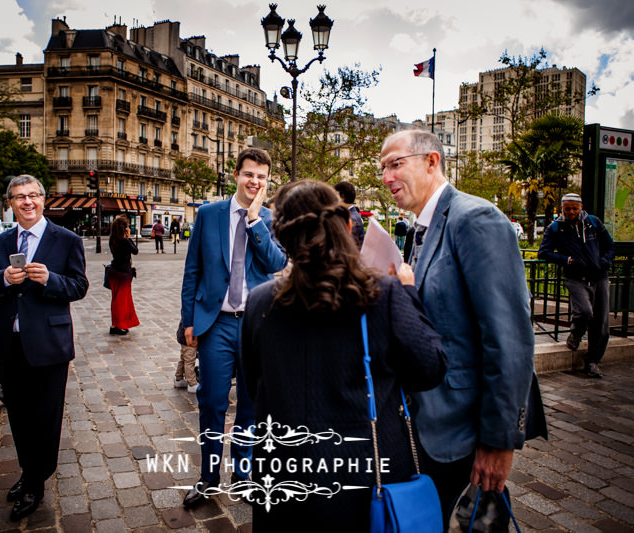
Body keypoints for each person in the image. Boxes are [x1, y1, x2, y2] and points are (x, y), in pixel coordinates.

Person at [241, 180, 445, 530]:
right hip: (368, 480)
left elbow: (253, 382)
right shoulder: (385, 293)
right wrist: (409, 292)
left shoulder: (260, 302)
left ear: (282, 238)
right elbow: (430, 369)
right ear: (348, 226)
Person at [380, 130, 535, 523]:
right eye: (382, 168)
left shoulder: (475, 218)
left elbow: (510, 338)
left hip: (464, 433)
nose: (386, 176)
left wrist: (499, 442)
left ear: (432, 161)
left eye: (396, 164)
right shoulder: (419, 228)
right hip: (424, 425)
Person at [0, 174, 88, 521]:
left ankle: (36, 482)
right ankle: (28, 471)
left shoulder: (65, 239)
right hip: (11, 344)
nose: (27, 202)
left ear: (43, 200)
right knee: (20, 416)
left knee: (46, 417)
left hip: (49, 345)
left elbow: (79, 285)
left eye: (33, 195)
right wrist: (4, 279)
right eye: (19, 197)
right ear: (10, 203)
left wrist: (50, 280)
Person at [180, 147, 287, 508]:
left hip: (257, 324)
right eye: (248, 174)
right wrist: (188, 321)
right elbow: (192, 270)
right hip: (218, 323)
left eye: (261, 176)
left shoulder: (270, 219)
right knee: (211, 401)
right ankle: (209, 477)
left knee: (251, 406)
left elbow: (276, 262)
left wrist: (256, 222)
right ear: (236, 175)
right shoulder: (209, 214)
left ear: (266, 180)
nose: (254, 181)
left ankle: (243, 476)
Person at [538, 193, 615, 378]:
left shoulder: (594, 223)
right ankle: (575, 334)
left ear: (581, 207)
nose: (571, 212)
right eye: (567, 208)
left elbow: (610, 246)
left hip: (599, 277)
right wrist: (567, 260)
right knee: (584, 312)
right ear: (562, 208)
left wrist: (604, 261)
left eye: (574, 208)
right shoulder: (556, 228)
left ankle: (593, 362)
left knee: (601, 324)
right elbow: (544, 252)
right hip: (575, 277)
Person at [107, 214, 140, 335]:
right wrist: (129, 237)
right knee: (122, 300)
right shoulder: (125, 241)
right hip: (123, 274)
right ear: (124, 228)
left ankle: (115, 324)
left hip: (113, 272)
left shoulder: (112, 239)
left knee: (115, 299)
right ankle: (119, 325)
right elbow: (135, 251)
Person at [334, 180, 365, 248]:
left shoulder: (351, 218)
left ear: (342, 196)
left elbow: (349, 247)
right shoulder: (352, 215)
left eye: (335, 195)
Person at [173, 319, 198, 393]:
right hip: (189, 338)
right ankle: (192, 384)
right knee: (189, 360)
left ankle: (179, 378)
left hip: (183, 336)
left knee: (184, 358)